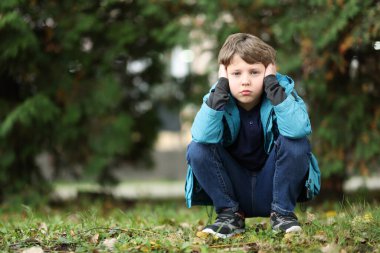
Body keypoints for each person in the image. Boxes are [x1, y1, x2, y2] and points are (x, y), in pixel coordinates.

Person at [185, 33, 318, 238]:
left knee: (296, 142)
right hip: (233, 190)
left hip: (273, 188)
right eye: (236, 73)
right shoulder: (217, 98)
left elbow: (298, 130)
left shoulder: (281, 94)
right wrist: (220, 87)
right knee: (197, 148)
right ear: (224, 74)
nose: (245, 81)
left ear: (269, 71)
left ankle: (282, 215)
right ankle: (229, 216)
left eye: (254, 72)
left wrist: (273, 86)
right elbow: (201, 136)